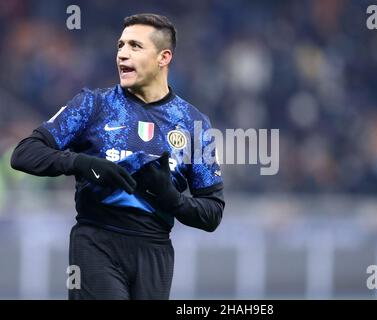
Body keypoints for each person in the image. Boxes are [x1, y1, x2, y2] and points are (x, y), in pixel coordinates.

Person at [10, 13, 224, 300]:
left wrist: (171, 199)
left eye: (135, 46)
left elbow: (212, 213)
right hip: (96, 240)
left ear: (164, 57)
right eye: (120, 45)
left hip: (155, 251)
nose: (122, 54)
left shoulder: (193, 123)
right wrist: (82, 163)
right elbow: (24, 153)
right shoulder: (93, 105)